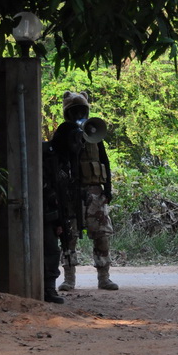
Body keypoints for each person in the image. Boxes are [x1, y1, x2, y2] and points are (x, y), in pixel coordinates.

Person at [52, 91, 119, 291]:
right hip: (70, 193)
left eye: (82, 111)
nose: (79, 115)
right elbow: (56, 161)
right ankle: (69, 279)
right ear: (68, 114)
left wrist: (107, 189)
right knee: (68, 236)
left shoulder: (94, 133)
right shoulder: (63, 133)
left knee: (102, 235)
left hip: (94, 192)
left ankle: (104, 278)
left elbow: (104, 161)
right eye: (75, 111)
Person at [40, 140, 66, 304]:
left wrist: (59, 221)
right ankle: (47, 289)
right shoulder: (47, 162)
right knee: (50, 250)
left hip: (49, 213)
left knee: (51, 250)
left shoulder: (57, 163)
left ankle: (49, 288)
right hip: (40, 211)